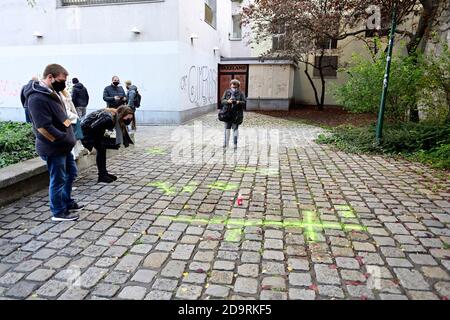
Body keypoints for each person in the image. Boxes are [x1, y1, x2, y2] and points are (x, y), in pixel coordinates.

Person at [24, 64, 82, 222]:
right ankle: (58, 212)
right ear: (50, 77)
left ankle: (66, 202)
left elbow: (61, 116)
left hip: (64, 146)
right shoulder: (36, 97)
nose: (63, 83)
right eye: (61, 80)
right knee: (58, 179)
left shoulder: (51, 92)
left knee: (71, 173)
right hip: (54, 148)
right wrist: (62, 138)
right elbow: (43, 127)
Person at [81, 106, 134, 183]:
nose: (129, 121)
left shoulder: (114, 116)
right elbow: (93, 128)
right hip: (87, 133)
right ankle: (102, 175)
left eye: (131, 119)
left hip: (95, 132)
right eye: (128, 118)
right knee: (101, 151)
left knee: (102, 151)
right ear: (122, 115)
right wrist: (91, 145)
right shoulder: (108, 118)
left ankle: (104, 173)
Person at [220, 79, 246, 150]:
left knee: (235, 129)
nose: (233, 88)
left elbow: (244, 102)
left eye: (235, 87)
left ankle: (235, 144)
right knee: (227, 129)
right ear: (230, 85)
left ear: (238, 86)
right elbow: (222, 101)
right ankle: (226, 144)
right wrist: (227, 101)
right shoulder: (227, 92)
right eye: (232, 86)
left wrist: (238, 102)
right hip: (227, 114)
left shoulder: (241, 93)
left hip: (236, 114)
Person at [59, 89, 84, 159]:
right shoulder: (57, 94)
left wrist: (75, 115)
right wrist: (74, 116)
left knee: (73, 137)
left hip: (72, 118)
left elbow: (71, 105)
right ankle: (71, 156)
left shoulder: (65, 92)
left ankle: (73, 156)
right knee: (69, 137)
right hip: (66, 118)